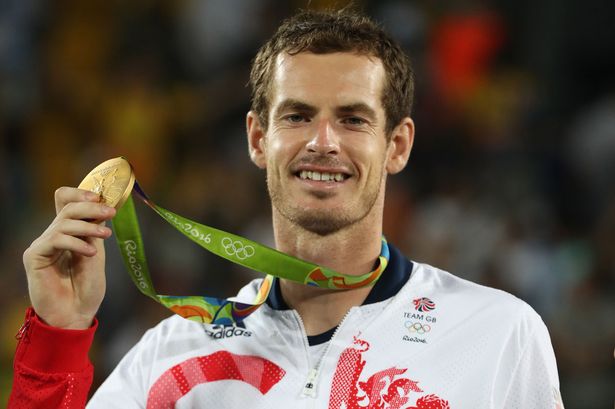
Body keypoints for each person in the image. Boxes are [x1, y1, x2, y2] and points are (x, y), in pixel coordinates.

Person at [9, 9, 563, 409]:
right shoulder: (171, 358)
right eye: (297, 116)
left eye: (353, 118)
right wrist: (60, 334)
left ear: (397, 145)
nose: (323, 141)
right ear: (257, 138)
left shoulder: (497, 335)